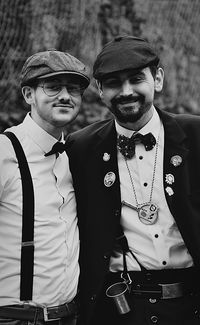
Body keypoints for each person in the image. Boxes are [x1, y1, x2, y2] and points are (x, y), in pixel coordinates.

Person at [66, 35, 200, 325]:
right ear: (100, 90)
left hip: (191, 307)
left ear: (158, 79)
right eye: (114, 83)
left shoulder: (197, 135)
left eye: (136, 79)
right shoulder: (80, 148)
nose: (126, 91)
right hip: (117, 307)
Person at [0, 49, 90, 324]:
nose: (65, 96)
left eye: (73, 89)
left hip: (69, 316)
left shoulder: (73, 154)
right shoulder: (5, 151)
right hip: (17, 318)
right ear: (29, 95)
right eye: (53, 87)